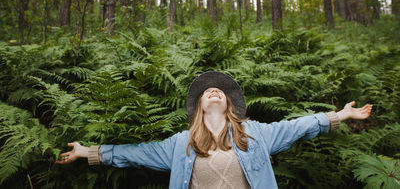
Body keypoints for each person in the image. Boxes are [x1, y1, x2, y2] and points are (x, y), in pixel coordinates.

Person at [57, 71, 372, 189]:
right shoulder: (181, 144)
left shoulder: (256, 134)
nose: (213, 90)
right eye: (207, 91)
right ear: (198, 107)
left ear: (229, 104)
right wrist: (88, 152)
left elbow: (299, 126)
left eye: (219, 90)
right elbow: (136, 153)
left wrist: (340, 115)